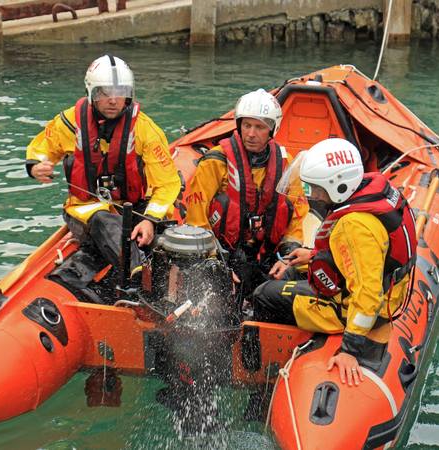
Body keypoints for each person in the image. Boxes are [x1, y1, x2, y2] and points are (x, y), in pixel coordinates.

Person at [252, 138, 417, 386]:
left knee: (264, 295)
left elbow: (368, 294)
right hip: (381, 286)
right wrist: (312, 257)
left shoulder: (355, 226)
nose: (312, 196)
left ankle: (263, 381)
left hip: (360, 307)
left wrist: (350, 349)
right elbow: (360, 260)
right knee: (288, 274)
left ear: (338, 187)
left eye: (316, 189)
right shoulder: (373, 192)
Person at [26, 55, 181, 278]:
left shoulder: (145, 129)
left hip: (132, 206)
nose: (113, 100)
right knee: (104, 220)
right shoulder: (69, 122)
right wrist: (36, 166)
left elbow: (167, 183)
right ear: (91, 93)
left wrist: (150, 219)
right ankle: (135, 273)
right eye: (104, 93)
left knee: (164, 236)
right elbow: (43, 147)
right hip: (86, 208)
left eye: (121, 93)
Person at [184, 88, 308, 302]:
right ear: (239, 125)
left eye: (259, 127)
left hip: (266, 252)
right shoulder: (216, 161)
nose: (251, 133)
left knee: (293, 280)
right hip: (223, 250)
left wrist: (288, 257)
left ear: (272, 130)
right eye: (247, 125)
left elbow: (296, 215)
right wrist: (215, 261)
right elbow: (196, 218)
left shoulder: (285, 163)